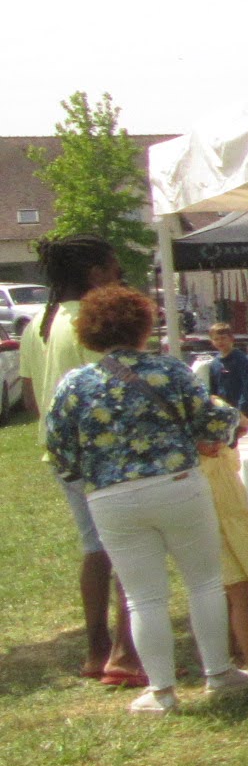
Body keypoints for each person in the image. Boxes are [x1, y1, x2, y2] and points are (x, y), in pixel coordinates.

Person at [43, 285, 248, 713]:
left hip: (111, 497)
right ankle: (217, 673)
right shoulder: (170, 371)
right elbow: (216, 421)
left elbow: (59, 452)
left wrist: (96, 474)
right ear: (142, 326)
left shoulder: (74, 385)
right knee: (204, 582)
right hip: (177, 484)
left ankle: (161, 691)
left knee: (144, 596)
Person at [20, 235, 144, 685]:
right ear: (95, 275)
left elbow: (34, 397)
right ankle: (125, 653)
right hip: (105, 454)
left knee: (96, 549)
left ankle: (96, 650)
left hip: (61, 453)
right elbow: (120, 384)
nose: (118, 279)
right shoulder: (93, 322)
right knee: (130, 548)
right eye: (113, 270)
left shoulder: (40, 321)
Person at [191, 322, 248, 676]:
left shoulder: (207, 456)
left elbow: (239, 416)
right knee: (240, 594)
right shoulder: (213, 458)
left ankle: (232, 653)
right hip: (221, 525)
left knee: (228, 594)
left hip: (220, 521)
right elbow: (236, 421)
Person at [193, 321, 248, 422]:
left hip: (240, 409)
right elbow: (213, 390)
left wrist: (244, 410)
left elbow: (247, 387)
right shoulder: (215, 363)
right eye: (216, 339)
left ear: (231, 339)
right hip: (222, 411)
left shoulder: (240, 360)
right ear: (212, 341)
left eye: (223, 338)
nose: (220, 342)